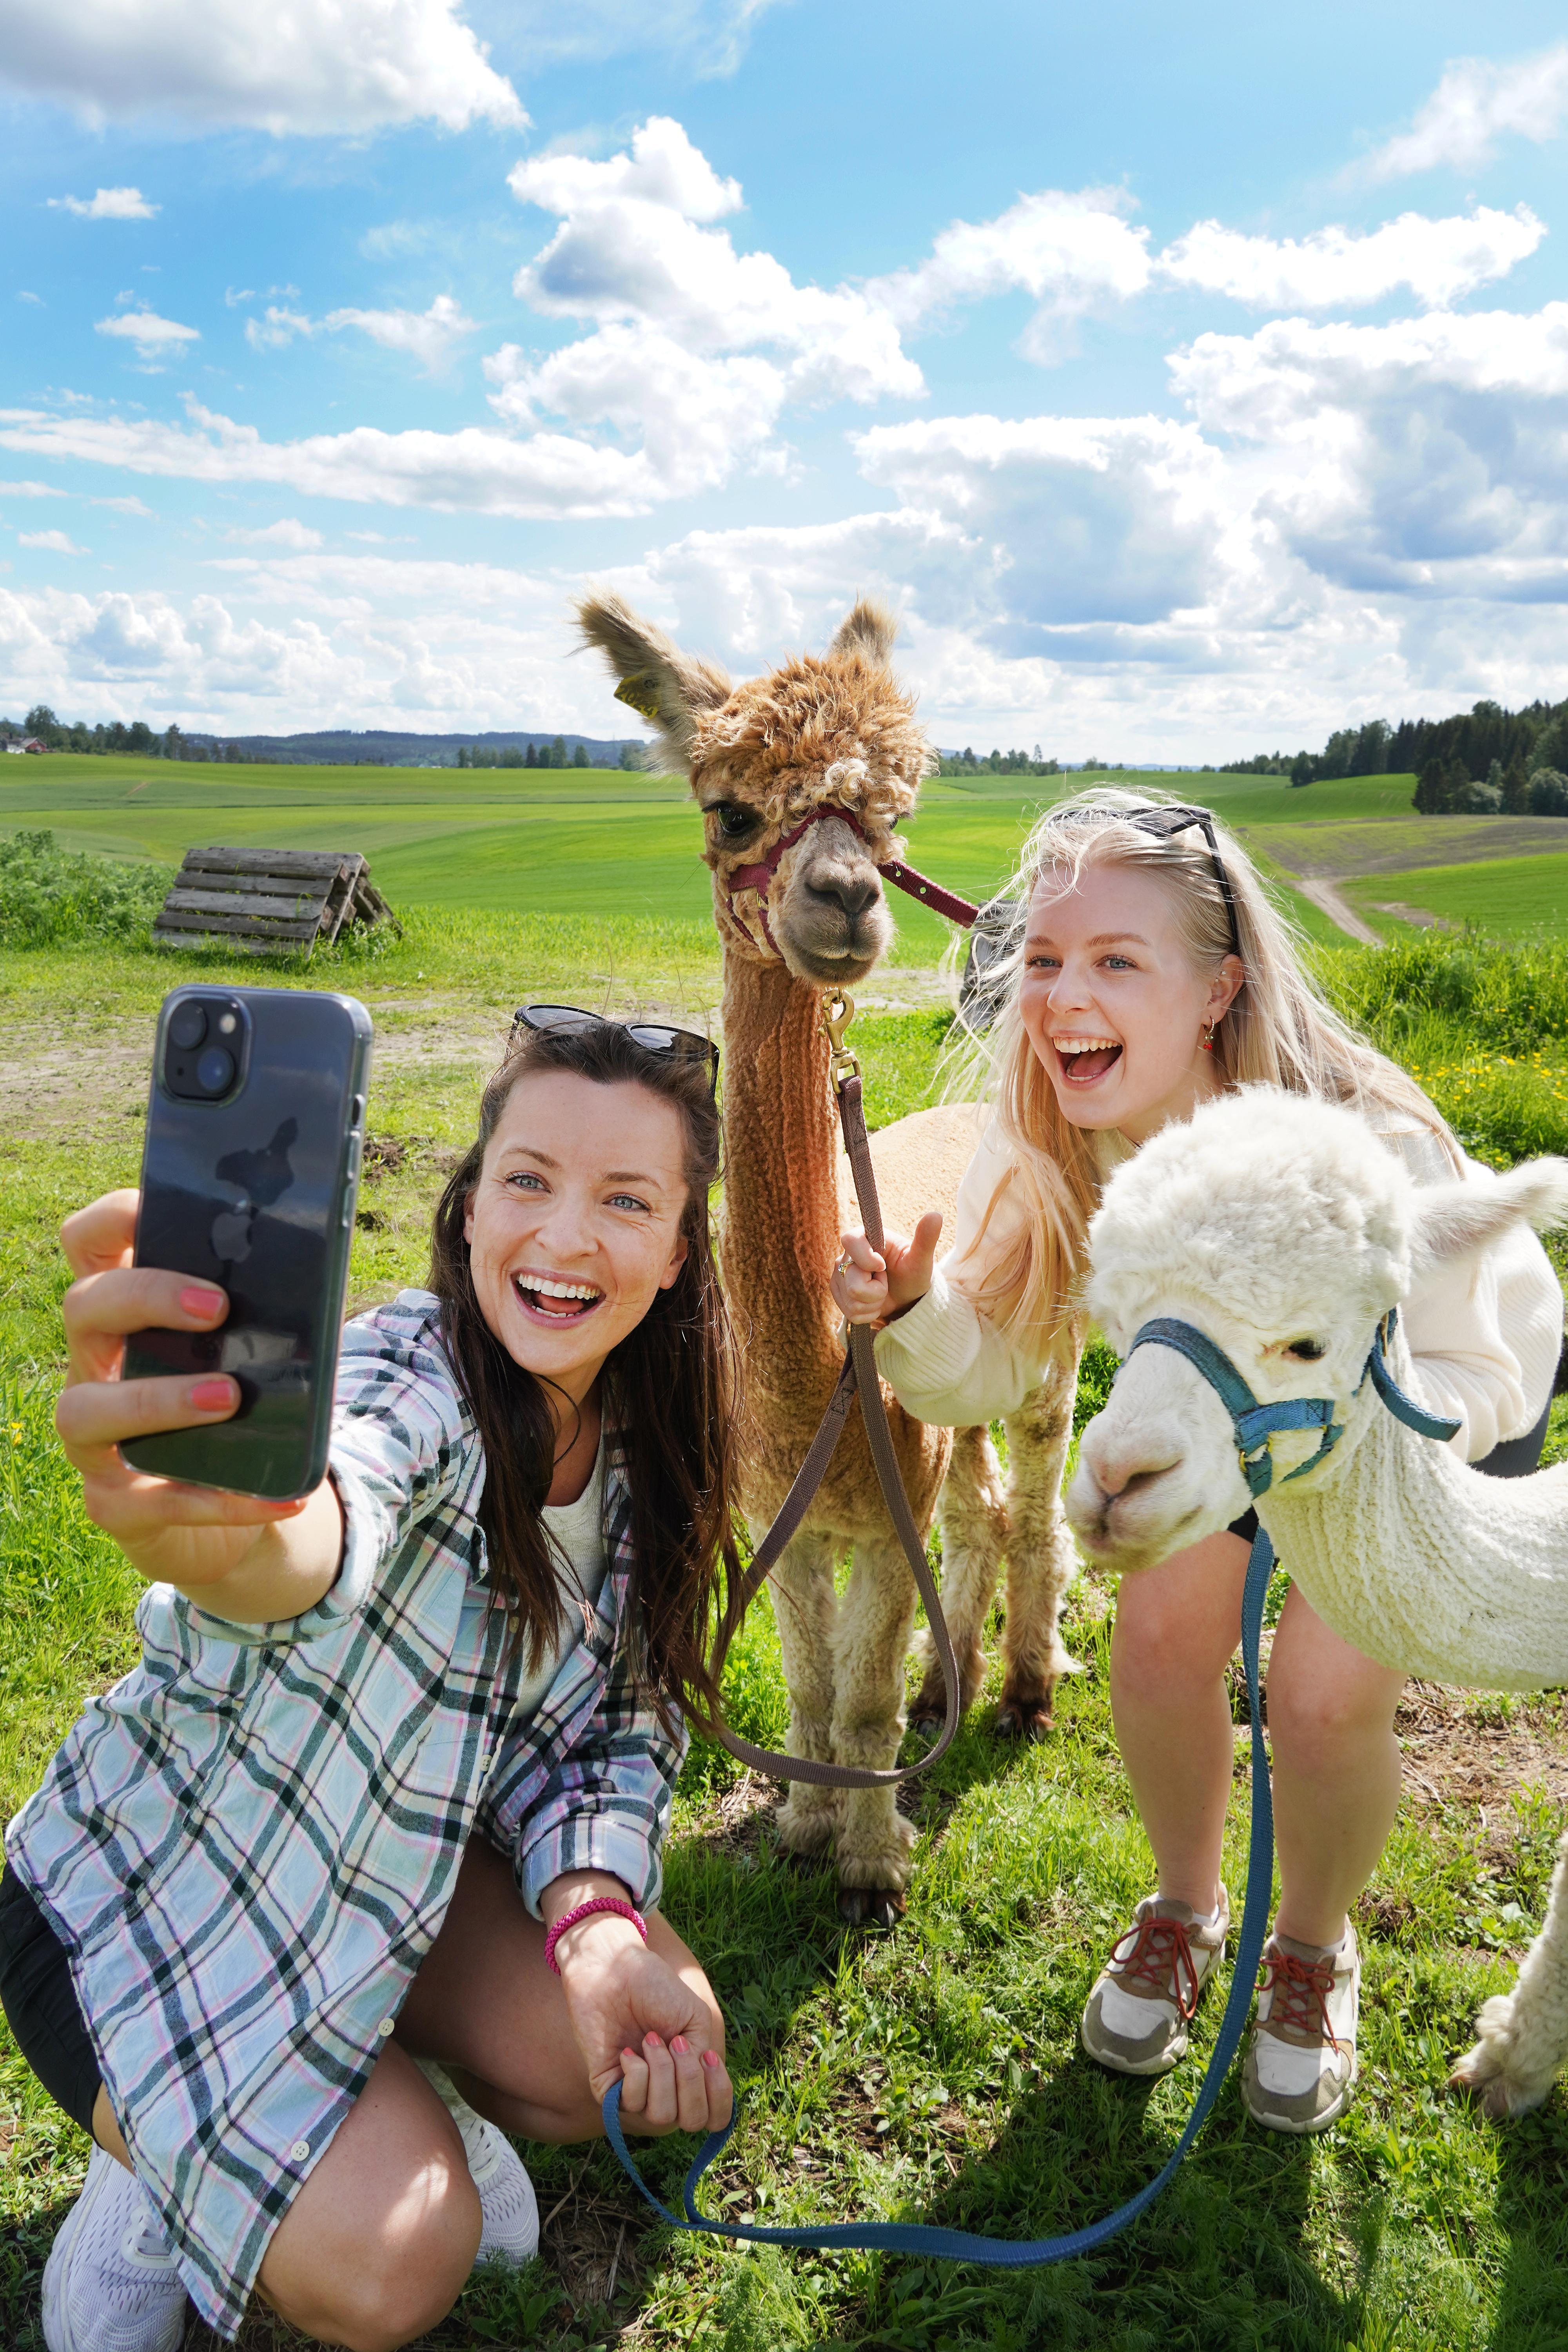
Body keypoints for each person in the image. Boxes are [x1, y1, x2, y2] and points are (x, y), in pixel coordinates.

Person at [2, 1009, 741, 2352]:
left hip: (366, 1886)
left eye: (626, 1200)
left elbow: (615, 1731)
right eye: (528, 1181)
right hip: (137, 1910)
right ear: (468, 1213)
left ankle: (356, 2088)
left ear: (681, 1250)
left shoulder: (650, 1455)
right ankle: (156, 2172)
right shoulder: (416, 1379)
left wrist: (592, 1926)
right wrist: (243, 1535)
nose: (566, 1240)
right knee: (404, 2265)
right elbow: (339, 1503)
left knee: (623, 2052)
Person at [832, 792, 1563, 2137]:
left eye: (1119, 960)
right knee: (1162, 1642)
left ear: (1220, 986)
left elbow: (1487, 1353)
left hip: (1421, 1407)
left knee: (1326, 1695)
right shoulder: (1057, 1142)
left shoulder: (1362, 1147)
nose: (1064, 998)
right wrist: (916, 1319)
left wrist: (1338, 1453)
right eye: (1044, 961)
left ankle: (1312, 1947)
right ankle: (1184, 1905)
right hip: (1228, 1426)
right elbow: (991, 1364)